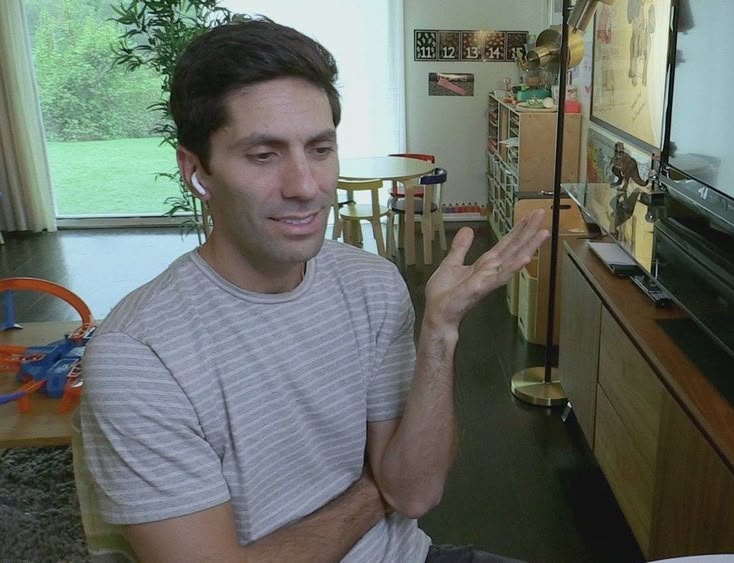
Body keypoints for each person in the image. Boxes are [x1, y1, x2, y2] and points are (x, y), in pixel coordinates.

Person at [79, 20, 548, 562]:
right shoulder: (138, 357)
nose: (306, 186)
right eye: (264, 154)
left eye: (320, 149)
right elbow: (396, 489)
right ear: (197, 171)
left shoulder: (372, 284)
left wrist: (439, 331)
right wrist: (377, 489)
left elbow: (416, 492)